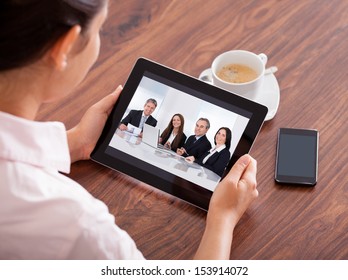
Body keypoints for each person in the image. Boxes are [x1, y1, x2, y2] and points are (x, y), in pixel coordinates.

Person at [0, 0, 258, 260]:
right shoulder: (78, 224)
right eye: (100, 29)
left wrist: (77, 142)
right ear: (64, 48)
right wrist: (223, 218)